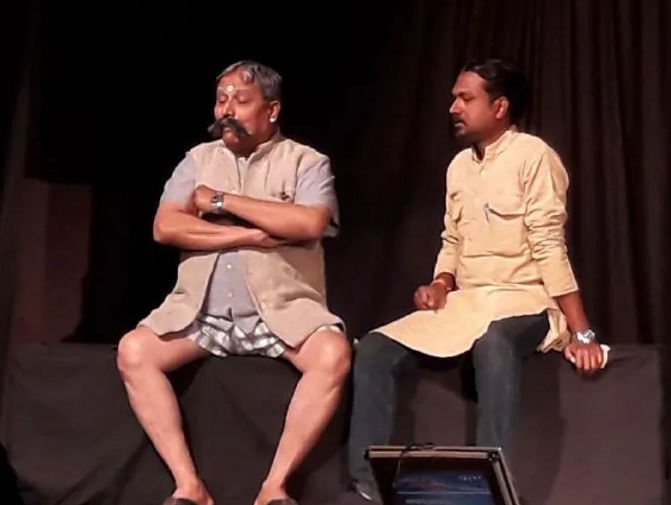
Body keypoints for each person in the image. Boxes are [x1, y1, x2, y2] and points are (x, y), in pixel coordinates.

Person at [342, 58, 605, 504]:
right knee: (374, 347)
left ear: (499, 106)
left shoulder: (534, 156)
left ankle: (488, 486)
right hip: (467, 304)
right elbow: (452, 240)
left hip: (524, 301)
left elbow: (549, 246)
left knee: (494, 345)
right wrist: (441, 283)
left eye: (466, 98)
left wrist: (582, 332)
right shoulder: (459, 166)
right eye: (454, 98)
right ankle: (367, 486)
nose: (454, 108)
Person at [115, 60, 351, 505]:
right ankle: (189, 487)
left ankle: (274, 487)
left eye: (240, 101)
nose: (227, 110)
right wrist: (249, 236)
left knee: (332, 354)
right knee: (134, 351)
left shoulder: (306, 161)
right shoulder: (198, 160)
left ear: (272, 110)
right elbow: (166, 227)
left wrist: (220, 201)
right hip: (202, 314)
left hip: (277, 312)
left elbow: (308, 222)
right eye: (221, 100)